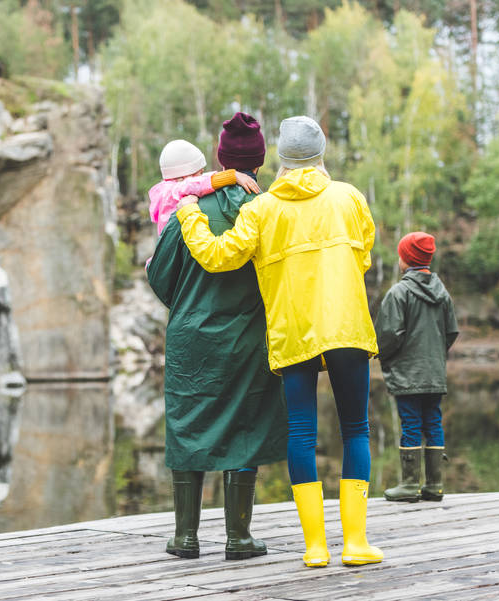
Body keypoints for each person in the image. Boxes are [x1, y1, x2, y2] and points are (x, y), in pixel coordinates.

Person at [175, 115, 383, 568]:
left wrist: (190, 210)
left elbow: (217, 257)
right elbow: (363, 252)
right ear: (321, 153)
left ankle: (314, 547)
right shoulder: (349, 197)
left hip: (293, 331)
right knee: (356, 429)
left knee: (302, 433)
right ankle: (355, 543)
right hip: (347, 326)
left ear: (282, 161)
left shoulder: (262, 208)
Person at [147, 112, 287, 561]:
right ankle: (238, 538)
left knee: (188, 427)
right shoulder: (265, 208)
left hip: (191, 339)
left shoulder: (185, 208)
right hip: (248, 338)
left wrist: (190, 307)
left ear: (220, 160)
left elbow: (161, 278)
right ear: (260, 163)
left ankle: (186, 538)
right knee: (243, 427)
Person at [376, 232, 459, 503]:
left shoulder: (399, 293)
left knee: (411, 424)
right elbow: (451, 331)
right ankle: (435, 484)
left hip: (407, 374)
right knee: (433, 421)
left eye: (401, 254)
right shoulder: (442, 292)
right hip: (434, 373)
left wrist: (383, 356)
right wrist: (435, 356)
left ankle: (410, 485)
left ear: (406, 260)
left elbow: (388, 335)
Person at [148, 139, 261, 236]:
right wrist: (232, 175)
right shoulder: (174, 191)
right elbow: (196, 184)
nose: (202, 176)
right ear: (185, 175)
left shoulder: (164, 190)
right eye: (200, 173)